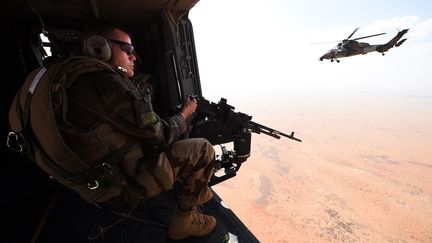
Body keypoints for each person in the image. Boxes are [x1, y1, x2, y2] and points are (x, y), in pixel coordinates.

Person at [12, 21, 217, 240]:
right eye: (128, 50)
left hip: (76, 179)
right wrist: (184, 114)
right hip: (115, 189)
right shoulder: (102, 82)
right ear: (99, 48)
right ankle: (184, 221)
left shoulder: (48, 75)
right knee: (203, 150)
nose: (134, 57)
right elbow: (160, 134)